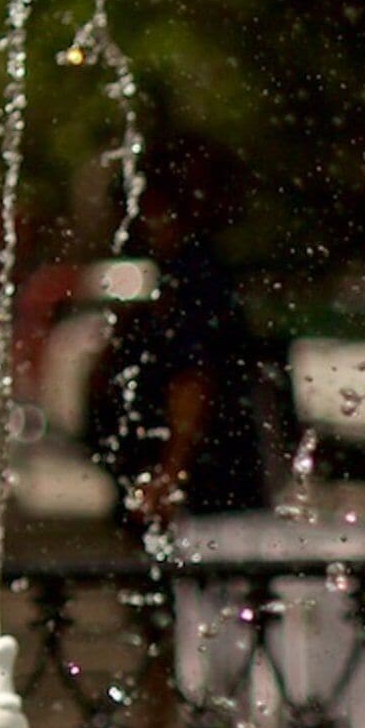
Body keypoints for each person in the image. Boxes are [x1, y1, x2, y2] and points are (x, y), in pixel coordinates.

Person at [90, 139, 275, 538]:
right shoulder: (180, 273)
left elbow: (192, 379)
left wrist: (170, 474)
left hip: (209, 493)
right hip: (207, 487)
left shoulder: (195, 278)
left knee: (199, 587)